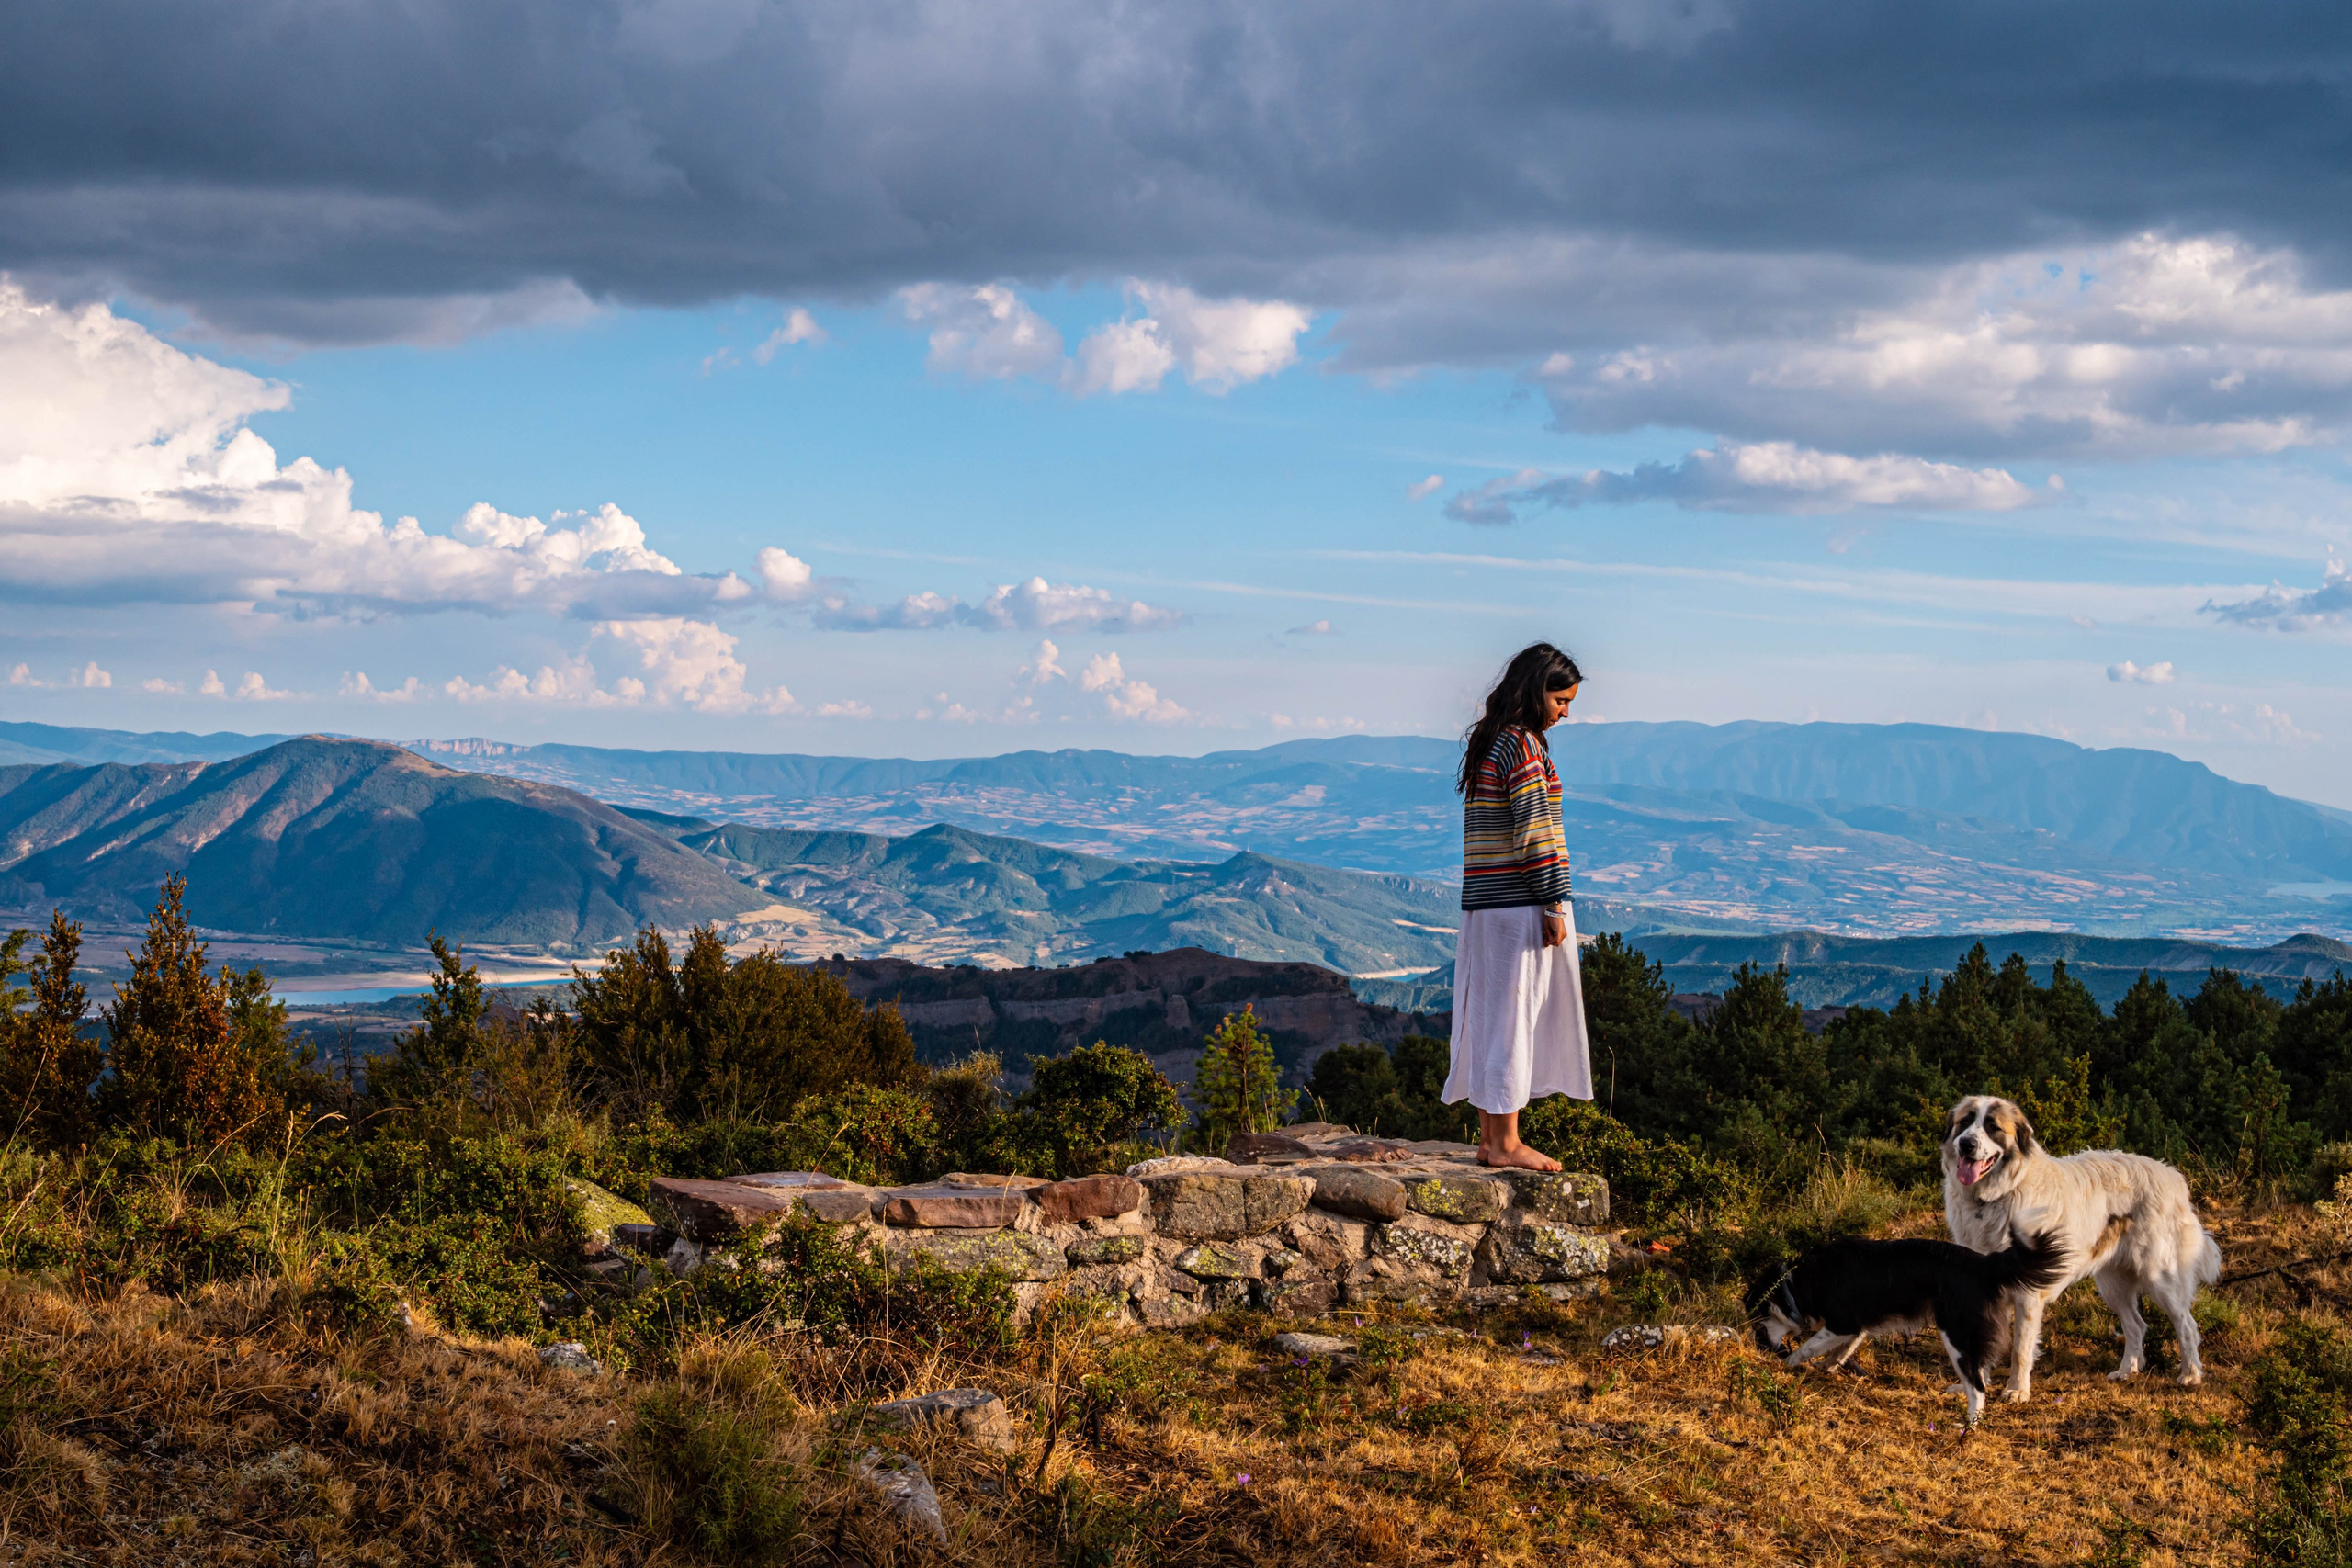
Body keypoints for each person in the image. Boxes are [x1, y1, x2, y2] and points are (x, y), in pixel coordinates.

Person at [1442, 642, 1593, 1170]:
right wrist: (1553, 899)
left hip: (1486, 905)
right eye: (1561, 700)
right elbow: (1535, 831)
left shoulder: (1493, 741)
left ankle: (1491, 1139)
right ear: (1536, 691)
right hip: (1520, 902)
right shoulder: (1525, 746)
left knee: (1490, 1015)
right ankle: (1507, 1144)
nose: (1565, 712)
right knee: (1513, 1018)